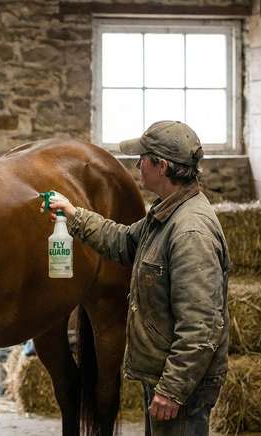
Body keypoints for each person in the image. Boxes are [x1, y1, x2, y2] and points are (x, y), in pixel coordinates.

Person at [45, 120, 229, 436]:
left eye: (143, 158)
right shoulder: (166, 213)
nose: (137, 165)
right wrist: (74, 214)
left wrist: (172, 389)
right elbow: (125, 242)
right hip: (163, 372)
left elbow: (201, 325)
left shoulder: (190, 232)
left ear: (163, 166)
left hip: (181, 384)